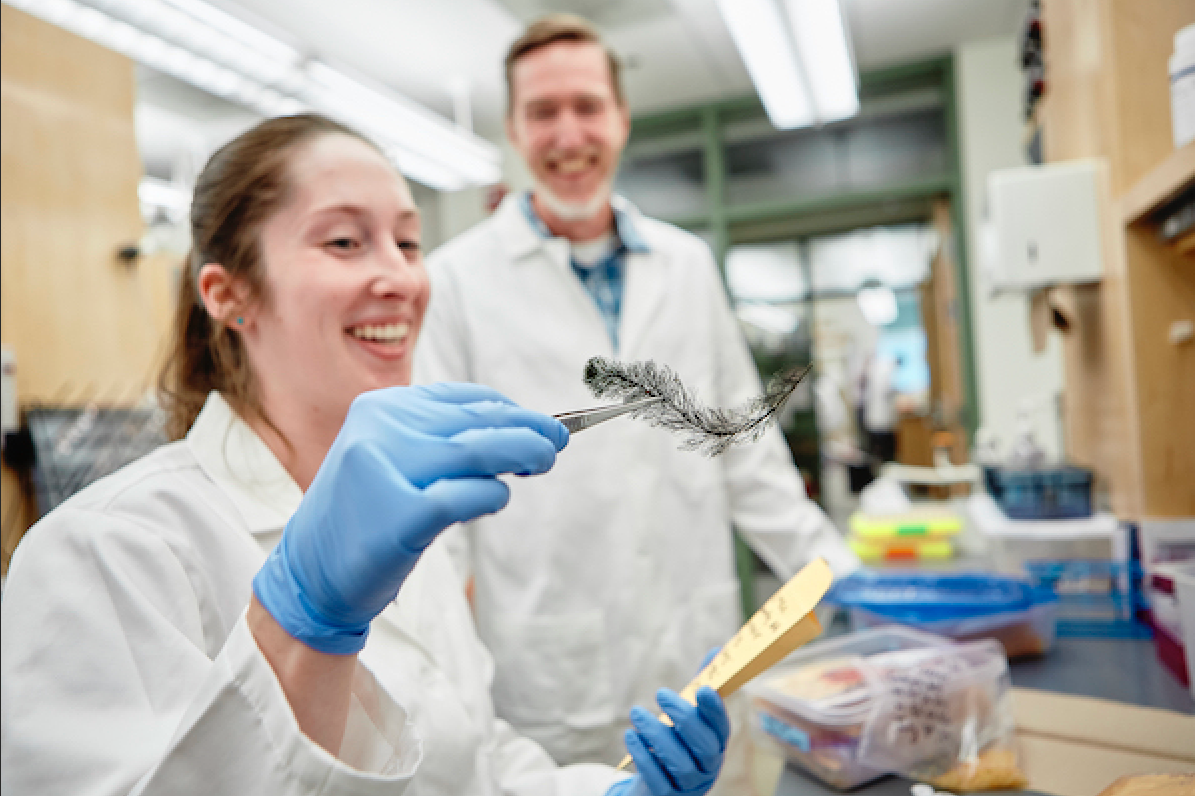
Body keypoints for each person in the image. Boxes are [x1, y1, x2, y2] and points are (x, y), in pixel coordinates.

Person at [0, 113, 731, 796]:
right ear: (228, 294)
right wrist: (297, 621)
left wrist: (605, 788)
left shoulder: (407, 519)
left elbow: (476, 756)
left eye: (408, 243)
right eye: (344, 242)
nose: (402, 280)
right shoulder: (105, 551)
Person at [414, 14, 859, 791]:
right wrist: (436, 668)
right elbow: (443, 508)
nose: (567, 133)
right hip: (547, 678)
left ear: (620, 118)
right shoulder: (455, 282)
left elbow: (744, 452)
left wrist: (837, 576)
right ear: (515, 131)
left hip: (699, 651)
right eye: (542, 112)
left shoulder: (685, 266)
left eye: (587, 106)